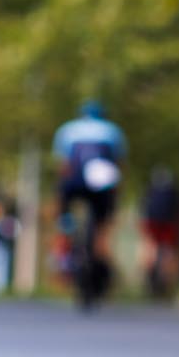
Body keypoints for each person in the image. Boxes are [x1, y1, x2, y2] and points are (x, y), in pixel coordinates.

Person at [51, 98, 127, 286]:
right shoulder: (113, 131)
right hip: (103, 184)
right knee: (102, 224)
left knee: (63, 202)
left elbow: (63, 165)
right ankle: (100, 248)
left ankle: (65, 228)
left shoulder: (68, 130)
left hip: (75, 182)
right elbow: (119, 163)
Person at [140, 166, 179, 295]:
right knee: (170, 250)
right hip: (169, 224)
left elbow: (143, 208)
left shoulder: (150, 191)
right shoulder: (174, 191)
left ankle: (148, 275)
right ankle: (169, 282)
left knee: (151, 246)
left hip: (151, 223)